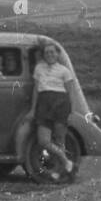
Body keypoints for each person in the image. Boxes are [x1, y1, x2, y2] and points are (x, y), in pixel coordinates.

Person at [31, 39, 76, 179]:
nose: (49, 54)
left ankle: (60, 171)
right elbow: (36, 90)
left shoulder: (65, 71)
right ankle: (66, 161)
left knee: (59, 139)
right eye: (46, 52)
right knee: (43, 140)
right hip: (44, 104)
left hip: (60, 104)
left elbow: (71, 92)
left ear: (57, 54)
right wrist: (33, 109)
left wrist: (72, 111)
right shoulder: (39, 68)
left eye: (52, 52)